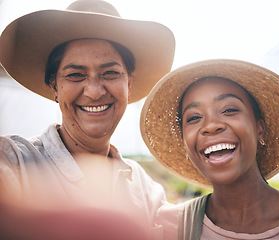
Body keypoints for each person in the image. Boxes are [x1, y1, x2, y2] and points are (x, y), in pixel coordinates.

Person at [0, 0, 175, 236]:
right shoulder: (15, 161)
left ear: (129, 84)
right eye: (75, 75)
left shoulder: (146, 189)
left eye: (110, 73)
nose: (94, 91)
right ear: (54, 86)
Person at [140, 59, 279, 239]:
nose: (211, 125)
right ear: (184, 142)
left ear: (259, 129)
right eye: (194, 118)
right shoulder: (166, 228)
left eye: (229, 110)